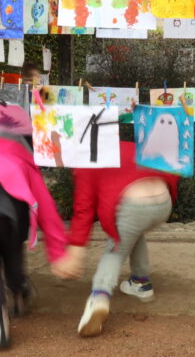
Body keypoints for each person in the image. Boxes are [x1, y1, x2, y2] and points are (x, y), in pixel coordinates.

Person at [0, 133, 82, 350]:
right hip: (11, 208)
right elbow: (46, 207)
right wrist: (58, 253)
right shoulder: (22, 156)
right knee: (13, 248)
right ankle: (18, 291)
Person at [69, 140, 180, 338]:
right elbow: (169, 167)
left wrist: (76, 245)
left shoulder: (87, 159)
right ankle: (140, 282)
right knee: (133, 232)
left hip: (134, 207)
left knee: (116, 248)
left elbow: (83, 208)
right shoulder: (129, 145)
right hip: (163, 202)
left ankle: (99, 297)